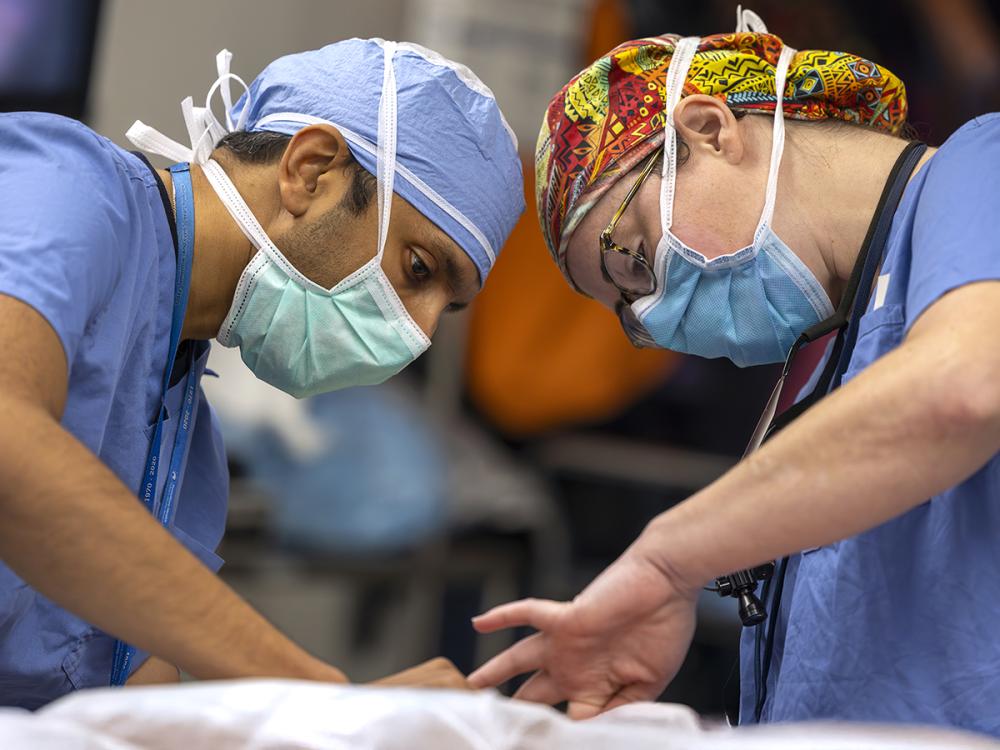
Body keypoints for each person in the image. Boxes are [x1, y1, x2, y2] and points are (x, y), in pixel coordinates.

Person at [468, 10, 1000, 738]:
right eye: (627, 311)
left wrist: (667, 561)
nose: (650, 323)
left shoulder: (981, 171)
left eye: (633, 259)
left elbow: (961, 389)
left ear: (711, 130)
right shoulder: (828, 359)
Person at [0, 39, 523, 708]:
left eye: (444, 309)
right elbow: (11, 449)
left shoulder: (184, 443)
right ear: (310, 171)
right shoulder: (62, 190)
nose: (420, 332)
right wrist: (321, 695)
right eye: (418, 269)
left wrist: (345, 725)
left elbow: (127, 697)